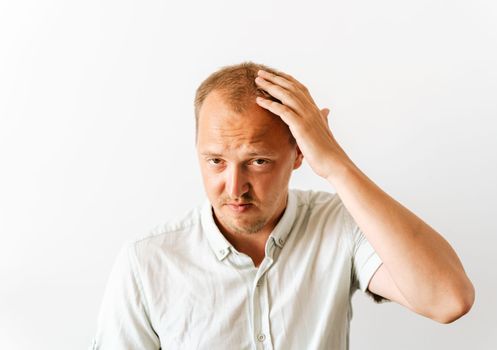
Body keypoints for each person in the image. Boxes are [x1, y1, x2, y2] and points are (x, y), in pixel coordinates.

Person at [91, 61, 475, 349]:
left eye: (258, 161)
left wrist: (336, 165)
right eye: (215, 161)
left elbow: (448, 300)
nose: (234, 186)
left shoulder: (339, 226)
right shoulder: (145, 263)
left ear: (297, 154)